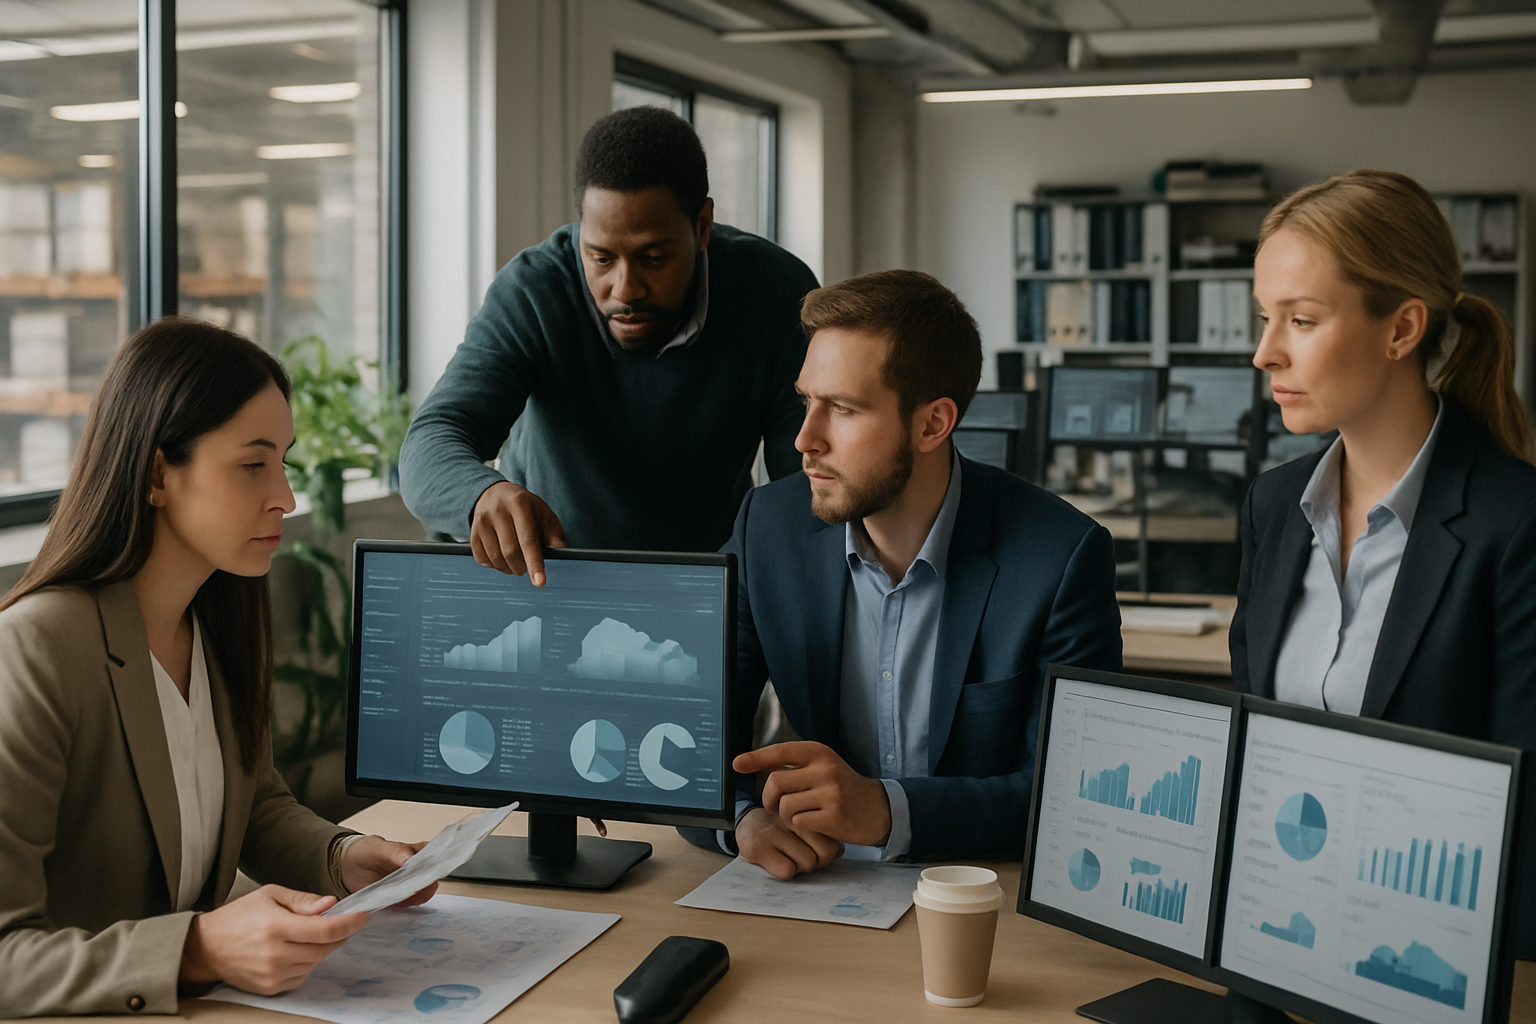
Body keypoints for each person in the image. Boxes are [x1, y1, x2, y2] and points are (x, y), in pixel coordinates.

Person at [0, 317, 436, 1016]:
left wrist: (341, 857)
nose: (287, 498)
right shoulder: (36, 650)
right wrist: (196, 948)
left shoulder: (215, 619)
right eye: (252, 464)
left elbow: (253, 805)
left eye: (284, 461)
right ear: (154, 475)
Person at [707, 270, 1122, 878]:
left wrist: (886, 810)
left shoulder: (1061, 558)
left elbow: (1069, 793)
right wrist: (743, 817)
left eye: (842, 409)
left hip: (981, 901)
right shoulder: (766, 528)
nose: (804, 439)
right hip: (819, 892)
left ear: (933, 423)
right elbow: (692, 735)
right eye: (806, 402)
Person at [1228, 168, 1536, 953]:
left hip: (1423, 956)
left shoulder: (1516, 525)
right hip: (1274, 935)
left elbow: (1524, 824)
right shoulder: (1273, 505)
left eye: (1300, 320)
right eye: (1265, 319)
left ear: (1402, 330)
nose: (1264, 353)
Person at [398, 106, 819, 581]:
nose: (625, 290)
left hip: (706, 584)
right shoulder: (535, 290)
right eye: (600, 257)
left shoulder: (775, 293)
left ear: (702, 226)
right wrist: (481, 495)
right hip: (551, 581)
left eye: (654, 258)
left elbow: (805, 483)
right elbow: (429, 443)